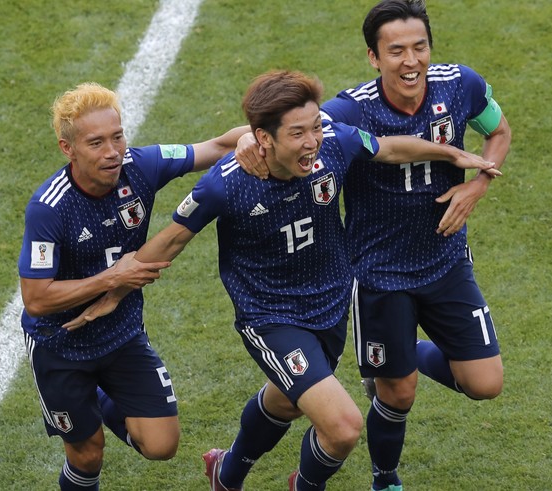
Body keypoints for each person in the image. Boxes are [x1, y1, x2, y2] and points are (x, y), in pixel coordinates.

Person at [63, 70, 498, 491]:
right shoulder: (225, 186)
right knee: (343, 427)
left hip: (328, 307)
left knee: (285, 402)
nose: (311, 142)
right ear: (264, 139)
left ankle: (227, 472)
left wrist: (449, 154)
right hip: (269, 316)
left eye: (315, 128)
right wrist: (113, 291)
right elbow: (171, 240)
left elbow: (386, 148)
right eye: (297, 133)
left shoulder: (334, 145)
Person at [235, 1, 511, 489]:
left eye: (420, 47)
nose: (411, 61)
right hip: (378, 273)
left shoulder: (461, 84)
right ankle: (386, 478)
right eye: (397, 51)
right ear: (374, 57)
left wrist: (477, 186)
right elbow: (288, 127)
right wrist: (243, 142)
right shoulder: (353, 108)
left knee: (485, 385)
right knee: (398, 393)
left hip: (446, 261)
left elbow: (499, 131)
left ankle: (409, 353)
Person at [17, 82, 249, 490]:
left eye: (117, 136)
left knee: (161, 445)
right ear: (67, 148)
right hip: (60, 346)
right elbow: (36, 299)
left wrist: (252, 138)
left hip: (121, 335)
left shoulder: (141, 166)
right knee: (88, 455)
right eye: (96, 143)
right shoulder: (48, 208)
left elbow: (216, 145)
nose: (112, 152)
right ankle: (88, 408)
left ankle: (101, 400)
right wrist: (113, 278)